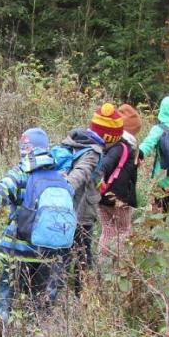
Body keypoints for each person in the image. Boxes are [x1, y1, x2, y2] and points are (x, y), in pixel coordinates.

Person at [0, 127, 70, 327]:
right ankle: (37, 333)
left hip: (18, 249)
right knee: (41, 298)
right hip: (50, 251)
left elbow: (1, 189)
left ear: (26, 148)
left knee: (6, 293)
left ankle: (0, 329)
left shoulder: (21, 173)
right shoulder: (60, 177)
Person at [56, 106, 117, 294]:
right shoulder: (93, 151)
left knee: (63, 253)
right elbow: (80, 173)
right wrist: (64, 189)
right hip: (81, 212)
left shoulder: (75, 143)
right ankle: (80, 294)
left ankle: (58, 292)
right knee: (82, 255)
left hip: (62, 210)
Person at [98, 107, 140, 258]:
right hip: (119, 199)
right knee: (124, 230)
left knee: (107, 229)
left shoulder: (107, 144)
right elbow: (107, 165)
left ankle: (102, 261)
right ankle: (119, 263)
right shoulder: (123, 147)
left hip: (102, 195)